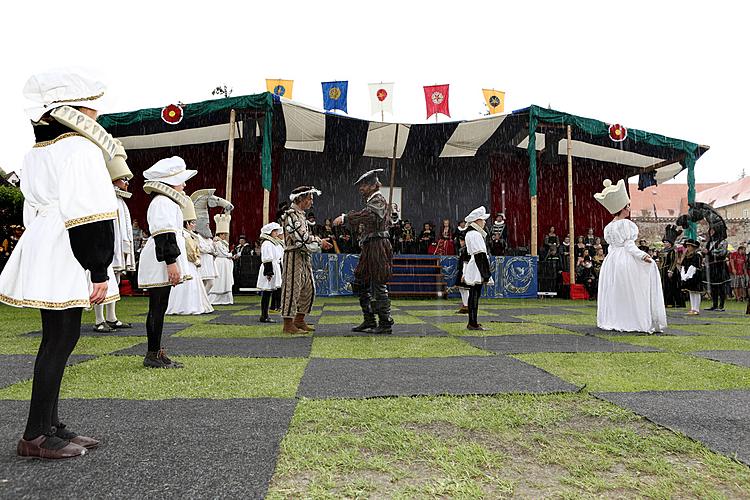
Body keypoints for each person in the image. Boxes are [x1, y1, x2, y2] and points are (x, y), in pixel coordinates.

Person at [0, 71, 122, 458]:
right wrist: (98, 268)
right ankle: (36, 433)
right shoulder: (80, 150)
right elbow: (91, 211)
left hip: (47, 240)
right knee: (61, 340)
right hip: (69, 242)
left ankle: (48, 425)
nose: (96, 113)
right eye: (90, 106)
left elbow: (31, 207)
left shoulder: (36, 152)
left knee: (57, 338)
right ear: (71, 110)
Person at [138, 156, 196, 368]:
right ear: (169, 182)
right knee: (157, 306)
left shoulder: (167, 202)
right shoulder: (162, 202)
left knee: (160, 306)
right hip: (160, 260)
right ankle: (152, 354)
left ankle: (156, 352)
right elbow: (164, 234)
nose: (184, 184)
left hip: (162, 259)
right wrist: (171, 263)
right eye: (181, 180)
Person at [594, 179, 666, 333]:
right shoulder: (627, 225)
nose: (629, 208)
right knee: (630, 289)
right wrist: (643, 256)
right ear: (623, 208)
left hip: (611, 260)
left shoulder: (608, 227)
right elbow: (629, 246)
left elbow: (614, 245)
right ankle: (630, 319)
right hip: (624, 259)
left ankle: (614, 318)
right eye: (627, 205)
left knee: (615, 290)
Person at [334, 169, 394, 334]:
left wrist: (347, 217)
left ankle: (385, 322)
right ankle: (369, 320)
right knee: (361, 282)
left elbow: (370, 216)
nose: (361, 187)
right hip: (370, 245)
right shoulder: (372, 201)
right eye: (361, 185)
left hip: (377, 245)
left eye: (365, 184)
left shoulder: (378, 200)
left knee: (378, 284)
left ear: (374, 185)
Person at [280, 186, 333, 333]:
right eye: (309, 199)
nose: (311, 202)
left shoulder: (301, 215)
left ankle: (299, 319)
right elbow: (301, 238)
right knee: (291, 289)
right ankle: (288, 324)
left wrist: (317, 241)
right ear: (301, 199)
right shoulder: (290, 215)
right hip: (293, 255)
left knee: (309, 288)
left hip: (304, 256)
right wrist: (319, 241)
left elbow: (305, 240)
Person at [93, 153, 135, 332]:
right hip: (106, 245)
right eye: (124, 179)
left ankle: (111, 317)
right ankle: (99, 319)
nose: (126, 183)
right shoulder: (104, 195)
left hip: (118, 245)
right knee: (103, 280)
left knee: (115, 281)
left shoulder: (120, 199)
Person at [165, 200, 213, 315]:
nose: (194, 225)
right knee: (188, 285)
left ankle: (188, 305)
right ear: (187, 223)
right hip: (188, 262)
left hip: (191, 263)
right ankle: (185, 306)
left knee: (193, 286)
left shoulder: (190, 235)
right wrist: (196, 260)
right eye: (192, 223)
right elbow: (189, 251)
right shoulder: (185, 235)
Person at [461, 207, 493, 330]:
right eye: (483, 220)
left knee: (473, 294)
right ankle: (472, 323)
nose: (484, 222)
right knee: (474, 295)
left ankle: (473, 322)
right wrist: (486, 274)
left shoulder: (471, 233)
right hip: (477, 266)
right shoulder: (474, 234)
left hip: (475, 265)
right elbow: (480, 254)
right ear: (477, 221)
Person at [256, 222, 284, 323]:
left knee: (270, 291)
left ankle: (267, 313)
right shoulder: (267, 243)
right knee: (267, 292)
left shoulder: (275, 243)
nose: (277, 233)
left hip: (275, 267)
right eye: (274, 231)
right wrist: (269, 272)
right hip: (270, 268)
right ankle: (264, 315)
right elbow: (267, 258)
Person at [703, 226, 730, 311]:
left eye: (713, 230)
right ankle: (714, 304)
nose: (711, 232)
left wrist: (709, 252)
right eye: (710, 230)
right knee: (713, 286)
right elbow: (706, 254)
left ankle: (721, 305)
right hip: (711, 266)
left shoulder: (723, 241)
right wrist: (704, 253)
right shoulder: (709, 242)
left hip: (720, 266)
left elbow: (722, 252)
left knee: (721, 286)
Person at [209, 214, 234, 305]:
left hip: (224, 262)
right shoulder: (218, 243)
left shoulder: (222, 242)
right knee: (220, 280)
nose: (225, 236)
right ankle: (216, 298)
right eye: (224, 234)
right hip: (220, 262)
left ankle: (225, 298)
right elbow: (223, 253)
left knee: (225, 280)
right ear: (221, 234)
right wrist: (231, 255)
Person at [659, 225, 684, 308]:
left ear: (670, 243)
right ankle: (667, 302)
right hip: (663, 270)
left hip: (671, 270)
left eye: (666, 242)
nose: (665, 243)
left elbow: (674, 261)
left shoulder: (673, 250)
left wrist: (671, 270)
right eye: (664, 242)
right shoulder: (662, 251)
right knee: (665, 287)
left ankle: (676, 302)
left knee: (673, 287)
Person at [681, 239, 704, 315]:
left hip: (695, 274)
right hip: (688, 275)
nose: (688, 248)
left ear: (693, 247)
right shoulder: (687, 255)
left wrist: (688, 274)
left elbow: (694, 266)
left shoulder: (697, 255)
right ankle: (692, 308)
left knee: (696, 291)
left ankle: (696, 309)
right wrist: (684, 274)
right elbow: (683, 264)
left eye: (689, 246)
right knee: (691, 291)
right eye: (687, 246)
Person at [453, 230, 470, 313]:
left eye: (461, 241)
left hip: (465, 270)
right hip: (461, 270)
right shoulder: (462, 250)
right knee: (461, 289)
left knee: (465, 289)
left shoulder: (467, 250)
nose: (460, 243)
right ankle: (464, 304)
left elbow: (466, 262)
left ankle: (467, 306)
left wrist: (464, 274)